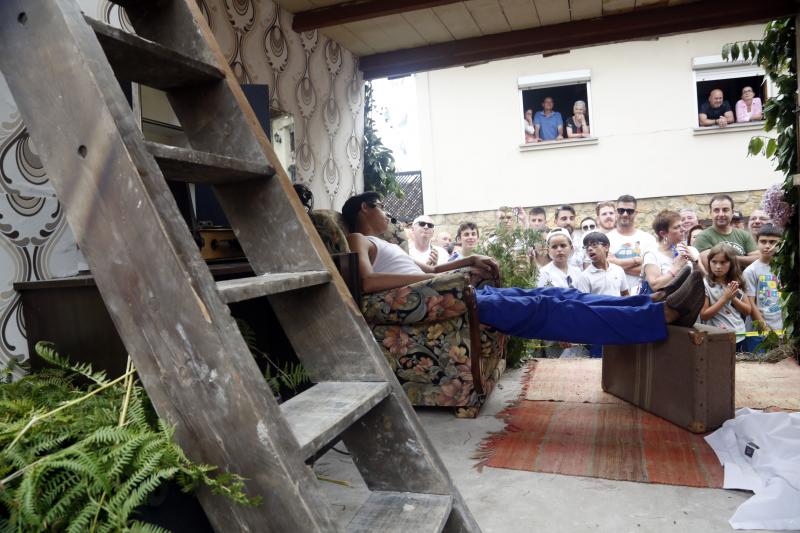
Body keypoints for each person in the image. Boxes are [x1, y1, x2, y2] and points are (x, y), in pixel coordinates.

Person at [342, 192, 706, 345]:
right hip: (450, 298)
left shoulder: (388, 244)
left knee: (555, 295)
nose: (386, 214)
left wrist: (466, 262)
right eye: (379, 206)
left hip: (456, 290)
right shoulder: (359, 239)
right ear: (362, 210)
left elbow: (426, 272)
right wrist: (455, 270)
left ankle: (653, 304)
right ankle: (664, 316)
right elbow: (368, 282)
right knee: (550, 308)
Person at [699, 243, 752, 349]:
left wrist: (733, 298)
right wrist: (724, 298)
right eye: (714, 262)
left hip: (739, 335)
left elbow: (747, 311)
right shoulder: (705, 284)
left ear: (731, 263)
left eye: (723, 262)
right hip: (716, 337)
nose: (718, 266)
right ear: (709, 262)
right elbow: (704, 315)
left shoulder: (737, 282)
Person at [606, 195, 657, 295]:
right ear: (616, 212)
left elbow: (650, 270)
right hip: (615, 296)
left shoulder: (648, 239)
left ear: (636, 213)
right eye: (621, 210)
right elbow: (606, 267)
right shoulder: (606, 239)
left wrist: (616, 262)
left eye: (629, 211)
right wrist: (637, 260)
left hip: (642, 296)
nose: (625, 214)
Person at [643, 211, 703, 293]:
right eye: (676, 227)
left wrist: (695, 261)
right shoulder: (652, 254)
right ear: (663, 234)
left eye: (682, 226)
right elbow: (655, 286)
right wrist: (676, 267)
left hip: (690, 301)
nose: (683, 229)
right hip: (664, 304)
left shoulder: (689, 250)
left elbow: (704, 278)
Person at [693, 194, 759, 268]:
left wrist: (732, 258)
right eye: (716, 210)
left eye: (725, 210)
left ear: (732, 212)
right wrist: (742, 260)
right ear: (711, 213)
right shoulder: (703, 237)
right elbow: (709, 268)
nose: (721, 214)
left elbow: (758, 259)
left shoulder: (744, 235)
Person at [743, 225, 783, 333]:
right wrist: (765, 329)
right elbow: (751, 304)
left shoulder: (786, 268)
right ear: (757, 243)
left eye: (772, 242)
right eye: (763, 241)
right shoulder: (751, 271)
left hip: (784, 327)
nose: (767, 246)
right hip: (760, 330)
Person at [575, 232, 629, 296]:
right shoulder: (584, 277)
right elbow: (584, 302)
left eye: (594, 245)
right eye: (586, 247)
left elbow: (625, 294)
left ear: (606, 247)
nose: (589, 249)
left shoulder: (618, 270)